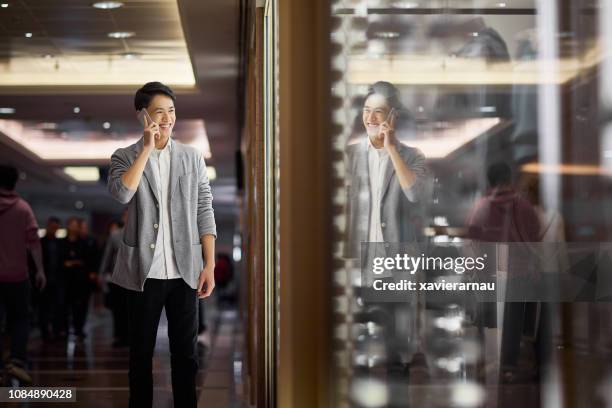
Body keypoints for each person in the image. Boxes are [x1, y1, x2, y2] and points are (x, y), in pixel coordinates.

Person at [107, 81, 217, 408]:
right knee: (140, 356)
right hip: (142, 273)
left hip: (186, 272)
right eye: (159, 112)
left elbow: (204, 209)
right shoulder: (124, 156)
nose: (167, 118)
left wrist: (208, 264)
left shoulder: (191, 157)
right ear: (143, 115)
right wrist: (145, 148)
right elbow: (122, 194)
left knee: (186, 355)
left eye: (171, 111)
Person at [0, 165, 46, 385]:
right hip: (18, 276)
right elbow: (34, 243)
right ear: (15, 182)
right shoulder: (22, 208)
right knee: (20, 319)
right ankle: (17, 362)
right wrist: (40, 271)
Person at [99, 211, 129, 347]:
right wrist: (102, 274)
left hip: (137, 279)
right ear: (123, 218)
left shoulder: (144, 233)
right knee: (118, 309)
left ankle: (133, 336)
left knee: (135, 309)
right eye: (127, 215)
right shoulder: (115, 234)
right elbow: (107, 256)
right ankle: (119, 336)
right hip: (117, 278)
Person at [62, 217, 91, 340]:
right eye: (71, 225)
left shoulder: (83, 243)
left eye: (76, 225)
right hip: (65, 280)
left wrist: (74, 263)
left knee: (79, 307)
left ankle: (79, 330)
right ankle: (64, 330)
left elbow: (87, 260)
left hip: (80, 280)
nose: (74, 228)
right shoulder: (62, 243)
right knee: (64, 306)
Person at [39, 217, 63, 341]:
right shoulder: (40, 243)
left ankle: (56, 331)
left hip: (57, 280)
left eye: (56, 228)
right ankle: (45, 332)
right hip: (44, 281)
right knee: (44, 308)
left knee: (57, 307)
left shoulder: (60, 243)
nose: (54, 229)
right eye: (52, 227)